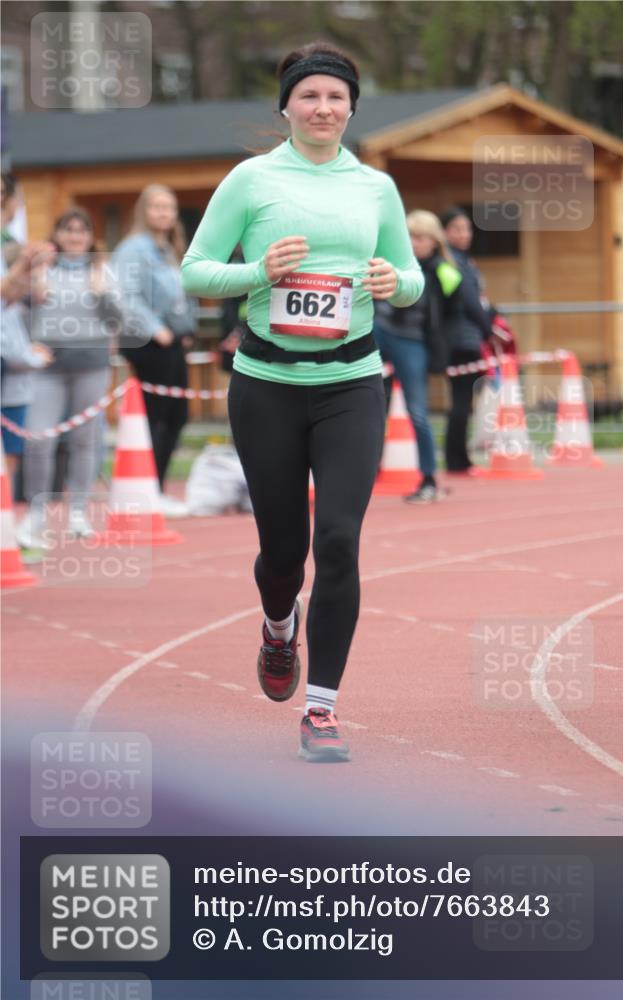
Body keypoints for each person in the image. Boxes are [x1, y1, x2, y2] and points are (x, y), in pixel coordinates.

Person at [182, 41, 424, 762]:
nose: (323, 108)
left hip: (351, 384)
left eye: (335, 97)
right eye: (309, 96)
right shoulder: (252, 180)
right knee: (283, 552)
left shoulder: (375, 187)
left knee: (340, 542)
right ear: (286, 106)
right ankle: (276, 623)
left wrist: (392, 282)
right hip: (267, 386)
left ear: (352, 107)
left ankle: (321, 711)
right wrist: (259, 271)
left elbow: (409, 277)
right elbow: (197, 271)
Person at [15, 207, 122, 546]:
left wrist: (101, 292)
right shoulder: (41, 268)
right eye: (68, 229)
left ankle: (78, 510)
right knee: (39, 439)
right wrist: (34, 294)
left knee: (84, 440)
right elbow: (17, 315)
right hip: (48, 368)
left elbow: (117, 320)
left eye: (82, 230)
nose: (75, 236)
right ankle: (37, 512)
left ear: (91, 237)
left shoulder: (103, 269)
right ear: (57, 234)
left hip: (91, 365)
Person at [112, 185, 198, 517]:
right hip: (147, 342)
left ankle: (157, 488)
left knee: (177, 415)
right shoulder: (134, 249)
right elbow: (124, 295)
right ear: (143, 210)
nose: (164, 213)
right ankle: (149, 492)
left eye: (169, 207)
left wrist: (184, 328)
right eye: (157, 207)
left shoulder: (168, 248)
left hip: (173, 341)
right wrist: (155, 329)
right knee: (157, 417)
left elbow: (179, 293)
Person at [373, 209, 461, 503]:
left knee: (418, 412)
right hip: (379, 332)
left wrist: (443, 350)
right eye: (409, 236)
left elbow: (454, 311)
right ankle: (362, 472)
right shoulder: (389, 260)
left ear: (434, 241)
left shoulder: (443, 271)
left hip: (412, 343)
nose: (413, 242)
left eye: (420, 237)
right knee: (361, 404)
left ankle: (428, 478)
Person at [0, 173, 54, 488]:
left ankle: (4, 519)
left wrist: (33, 268)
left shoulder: (9, 240)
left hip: (10, 355)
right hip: (10, 353)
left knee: (12, 444)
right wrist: (25, 265)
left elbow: (16, 297)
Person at [439, 206, 494, 474]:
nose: (463, 234)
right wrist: (487, 328)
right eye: (456, 229)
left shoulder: (465, 260)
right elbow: (469, 301)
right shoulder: (451, 262)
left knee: (463, 400)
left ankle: (458, 458)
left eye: (467, 228)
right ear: (444, 233)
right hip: (460, 338)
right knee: (461, 400)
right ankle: (457, 460)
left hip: (466, 336)